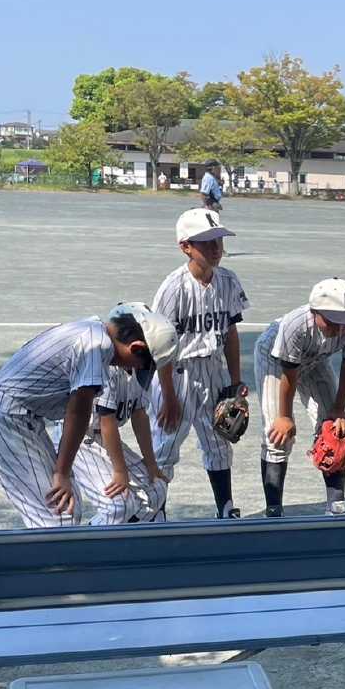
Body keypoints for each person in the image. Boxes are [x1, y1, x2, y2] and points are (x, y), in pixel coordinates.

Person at [0, 304, 177, 528]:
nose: (137, 370)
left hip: (21, 421)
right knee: (58, 516)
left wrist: (63, 472)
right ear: (135, 347)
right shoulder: (95, 345)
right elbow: (78, 412)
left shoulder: (93, 332)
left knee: (69, 508)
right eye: (142, 365)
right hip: (4, 423)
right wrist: (62, 473)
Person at [151, 208, 251, 519]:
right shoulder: (173, 288)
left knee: (219, 444)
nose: (216, 247)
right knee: (165, 448)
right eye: (206, 242)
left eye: (218, 240)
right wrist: (169, 397)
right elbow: (160, 347)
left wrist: (235, 381)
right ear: (186, 247)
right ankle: (156, 512)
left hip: (214, 371)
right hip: (176, 373)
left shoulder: (229, 280)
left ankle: (226, 508)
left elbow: (231, 333)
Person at [256, 278, 345, 517]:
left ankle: (336, 504)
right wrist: (285, 417)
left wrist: (339, 409)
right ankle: (274, 509)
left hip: (316, 360)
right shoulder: (295, 325)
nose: (340, 328)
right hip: (274, 361)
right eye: (333, 321)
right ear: (315, 311)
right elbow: (289, 374)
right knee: (277, 433)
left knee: (335, 428)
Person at [54, 303, 177, 526]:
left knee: (157, 490)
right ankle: (93, 539)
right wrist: (120, 472)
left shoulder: (137, 368)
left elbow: (139, 415)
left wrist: (151, 464)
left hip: (104, 440)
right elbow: (107, 422)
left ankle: (123, 537)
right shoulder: (109, 367)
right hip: (82, 440)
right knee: (119, 506)